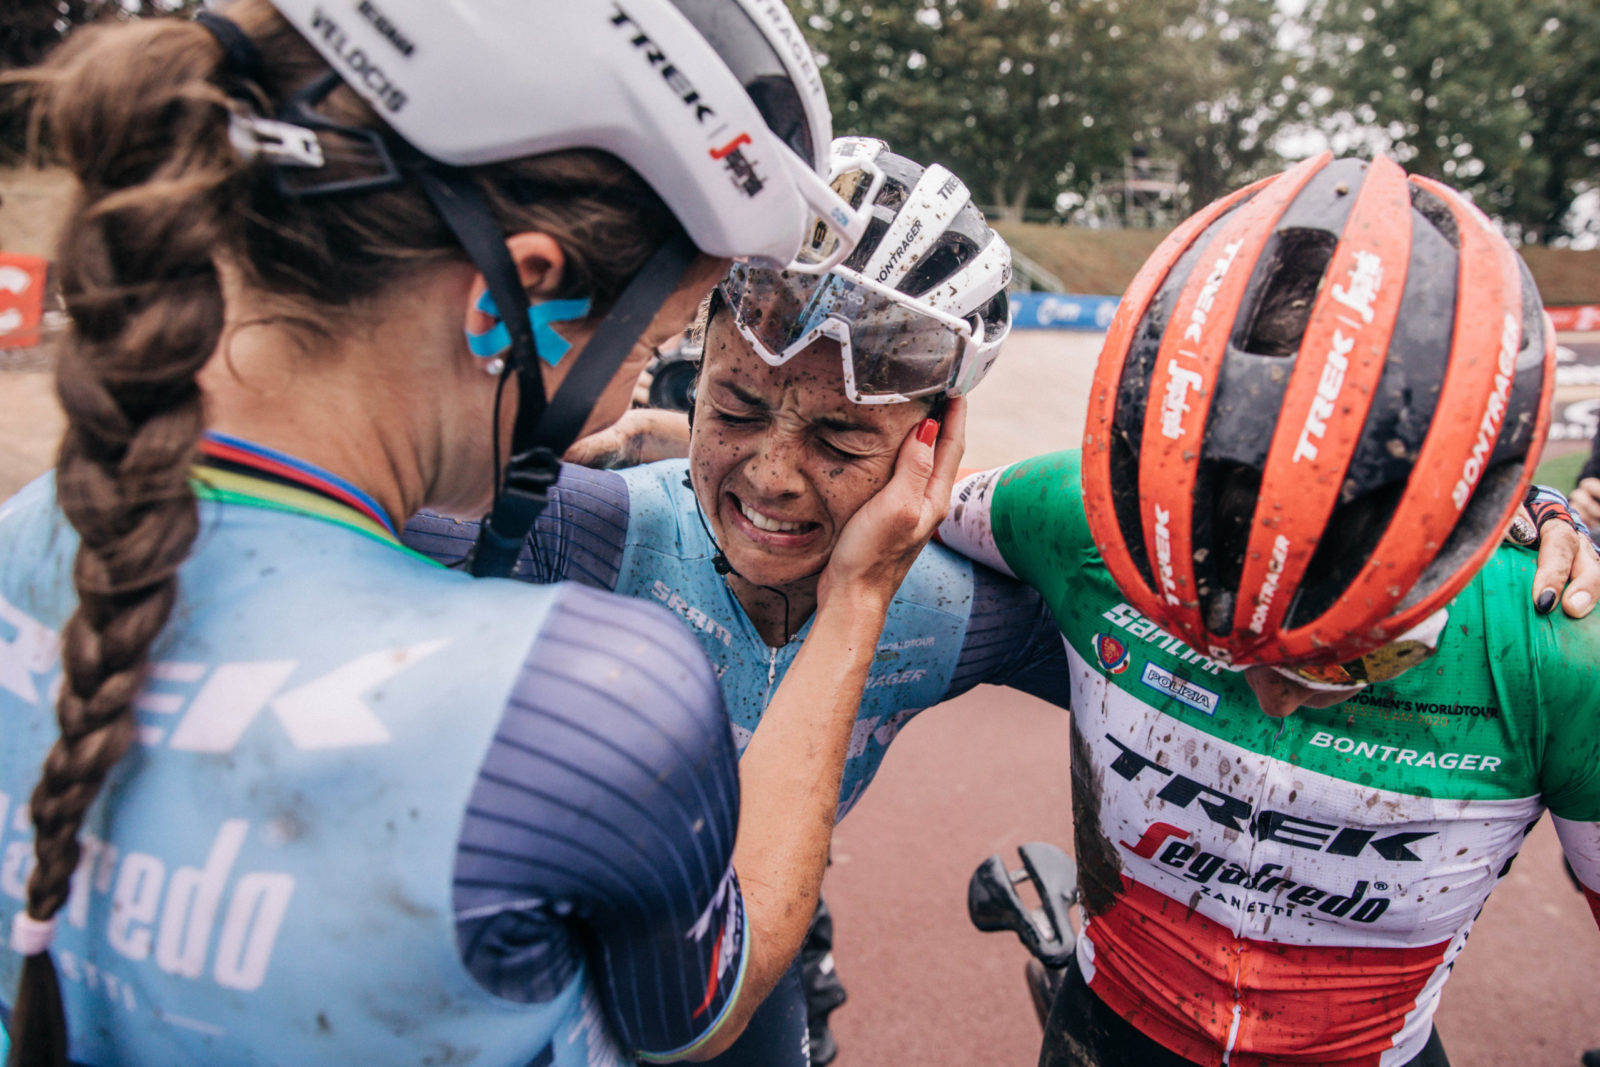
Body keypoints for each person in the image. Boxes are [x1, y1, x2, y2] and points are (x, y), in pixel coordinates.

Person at [0, 2, 967, 1064]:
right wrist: (857, 598)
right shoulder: (588, 697)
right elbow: (709, 1008)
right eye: (645, 344)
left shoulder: (39, 527)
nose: (618, 412)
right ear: (518, 296)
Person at [403, 137, 1076, 1065]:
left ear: (934, 441)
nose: (773, 477)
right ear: (699, 364)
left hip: (744, 970)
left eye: (840, 440)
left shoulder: (957, 607)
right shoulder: (584, 530)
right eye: (735, 408)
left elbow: (1175, 685)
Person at [936, 153, 1600, 1067]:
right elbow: (880, 503)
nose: (1272, 692)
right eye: (1194, 615)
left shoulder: (1561, 649)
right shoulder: (1078, 511)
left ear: (1466, 526)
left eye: (1345, 653)